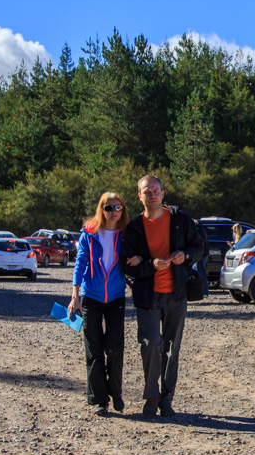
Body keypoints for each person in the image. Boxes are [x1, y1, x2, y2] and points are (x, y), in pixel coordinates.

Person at [120, 175, 204, 417]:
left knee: (170, 347)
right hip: (148, 295)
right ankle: (151, 396)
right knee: (150, 344)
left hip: (176, 294)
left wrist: (185, 255)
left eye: (156, 191)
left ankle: (166, 400)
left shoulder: (179, 220)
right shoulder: (134, 228)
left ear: (163, 193)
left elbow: (199, 248)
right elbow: (127, 266)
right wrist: (149, 265)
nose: (152, 195)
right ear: (140, 196)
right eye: (147, 192)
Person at [70, 192, 128, 416]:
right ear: (101, 208)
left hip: (115, 297)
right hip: (91, 296)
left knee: (114, 348)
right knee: (93, 350)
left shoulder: (125, 234)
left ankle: (116, 393)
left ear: (122, 210)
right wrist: (75, 295)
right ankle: (98, 400)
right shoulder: (89, 232)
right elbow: (80, 262)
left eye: (118, 208)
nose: (113, 211)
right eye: (108, 207)